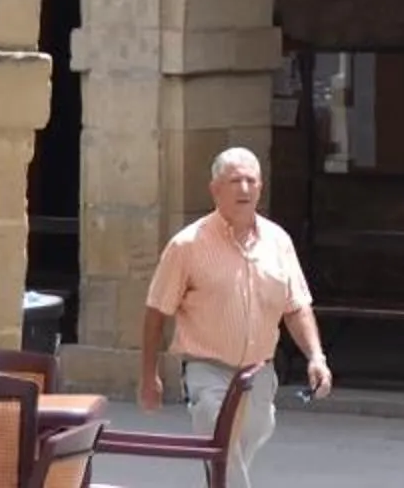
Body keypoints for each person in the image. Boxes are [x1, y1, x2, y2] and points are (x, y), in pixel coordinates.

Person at [139, 147, 331, 488]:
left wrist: (316, 357)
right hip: (207, 370)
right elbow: (156, 311)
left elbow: (296, 306)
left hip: (259, 373)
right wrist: (148, 374)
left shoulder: (278, 241)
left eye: (251, 180)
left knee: (234, 453)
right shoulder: (187, 245)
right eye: (234, 181)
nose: (244, 188)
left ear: (260, 187)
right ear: (215, 189)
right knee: (222, 448)